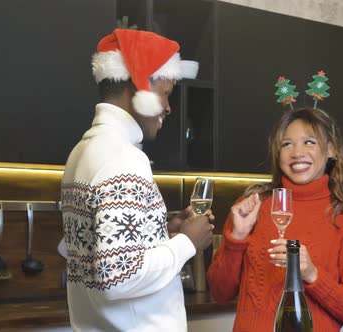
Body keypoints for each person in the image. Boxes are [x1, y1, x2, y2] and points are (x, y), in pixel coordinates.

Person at [59, 29, 214, 331]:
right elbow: (119, 276)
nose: (169, 108)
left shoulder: (82, 152)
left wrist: (159, 235)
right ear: (139, 85)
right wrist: (186, 243)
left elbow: (88, 249)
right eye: (166, 94)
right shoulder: (124, 158)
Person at [207, 107, 343, 331]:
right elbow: (220, 293)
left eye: (309, 142)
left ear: (331, 150)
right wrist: (236, 238)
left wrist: (311, 273)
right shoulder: (252, 206)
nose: (297, 152)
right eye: (287, 144)